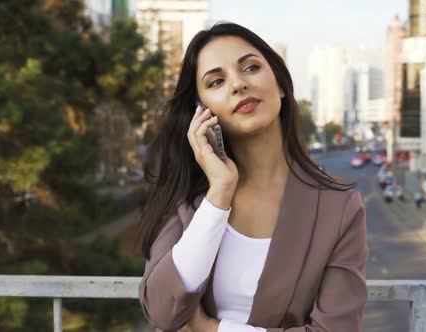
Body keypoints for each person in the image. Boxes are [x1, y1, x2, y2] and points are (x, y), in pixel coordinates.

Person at [137, 22, 368, 332]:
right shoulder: (185, 198)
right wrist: (219, 192)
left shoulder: (339, 206)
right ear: (201, 111)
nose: (238, 84)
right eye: (216, 81)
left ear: (281, 85)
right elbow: (162, 311)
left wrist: (214, 330)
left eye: (250, 67)